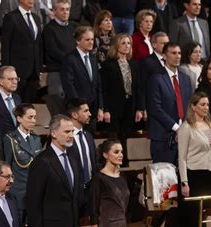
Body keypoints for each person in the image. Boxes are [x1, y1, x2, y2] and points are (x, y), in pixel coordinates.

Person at [26, 115, 80, 227]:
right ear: (54, 133)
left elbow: (72, 198)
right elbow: (33, 202)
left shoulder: (72, 158)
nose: (71, 135)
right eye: (67, 131)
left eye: (72, 131)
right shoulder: (42, 162)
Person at [178, 92, 211, 227]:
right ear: (193, 106)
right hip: (192, 175)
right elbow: (182, 157)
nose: (206, 108)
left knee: (203, 215)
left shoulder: (210, 124)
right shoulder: (187, 127)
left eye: (207, 104)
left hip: (207, 175)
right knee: (192, 217)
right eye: (202, 104)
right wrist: (184, 182)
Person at [146, 42, 192, 164]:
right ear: (165, 56)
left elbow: (189, 106)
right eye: (173, 53)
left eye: (179, 53)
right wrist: (177, 128)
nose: (177, 56)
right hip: (163, 138)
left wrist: (185, 128)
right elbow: (155, 108)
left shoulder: (185, 79)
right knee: (165, 179)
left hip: (184, 137)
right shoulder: (156, 78)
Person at [90, 139, 132, 227]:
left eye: (121, 152)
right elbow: (94, 212)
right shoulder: (99, 179)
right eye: (116, 152)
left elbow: (123, 209)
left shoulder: (122, 177)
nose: (120, 155)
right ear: (105, 155)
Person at [101, 33, 142, 165]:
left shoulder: (134, 65)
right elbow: (104, 89)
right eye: (123, 43)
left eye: (128, 43)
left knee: (125, 135)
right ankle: (111, 162)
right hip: (113, 106)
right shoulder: (108, 65)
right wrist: (105, 109)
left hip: (130, 105)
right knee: (114, 137)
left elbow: (138, 88)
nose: (126, 46)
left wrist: (140, 108)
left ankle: (124, 162)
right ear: (116, 45)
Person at [61, 26, 104, 132]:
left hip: (92, 111)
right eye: (87, 39)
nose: (91, 42)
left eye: (92, 39)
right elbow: (68, 85)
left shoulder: (93, 58)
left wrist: (101, 107)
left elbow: (98, 85)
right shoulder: (69, 59)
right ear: (78, 41)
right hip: (77, 111)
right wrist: (79, 107)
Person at [3, 103, 41, 222]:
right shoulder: (10, 139)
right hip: (18, 194)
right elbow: (7, 166)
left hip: (35, 193)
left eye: (35, 117)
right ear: (19, 118)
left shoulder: (36, 138)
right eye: (30, 117)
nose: (33, 121)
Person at [1, 0, 43, 102]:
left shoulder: (36, 18)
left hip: (34, 72)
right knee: (16, 103)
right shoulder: (11, 17)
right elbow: (6, 46)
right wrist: (6, 70)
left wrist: (39, 68)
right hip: (17, 71)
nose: (31, 1)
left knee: (29, 105)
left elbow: (39, 45)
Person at [42, 0, 76, 116]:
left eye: (67, 9)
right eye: (62, 9)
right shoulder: (49, 29)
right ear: (54, 11)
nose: (65, 12)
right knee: (58, 109)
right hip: (57, 72)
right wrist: (72, 60)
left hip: (72, 72)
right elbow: (52, 51)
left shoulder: (73, 28)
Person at [67, 99, 96, 217]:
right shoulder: (65, 138)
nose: (90, 114)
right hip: (73, 192)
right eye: (86, 111)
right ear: (74, 115)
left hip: (90, 191)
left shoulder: (88, 136)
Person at [138, 31, 169, 110]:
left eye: (168, 44)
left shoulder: (171, 61)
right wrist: (142, 107)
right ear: (154, 45)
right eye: (163, 44)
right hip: (152, 106)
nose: (167, 47)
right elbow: (142, 86)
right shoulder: (146, 62)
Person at [0, 66, 22, 136]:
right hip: (0, 141)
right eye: (11, 79)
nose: (15, 82)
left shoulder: (17, 98)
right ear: (0, 81)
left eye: (16, 79)